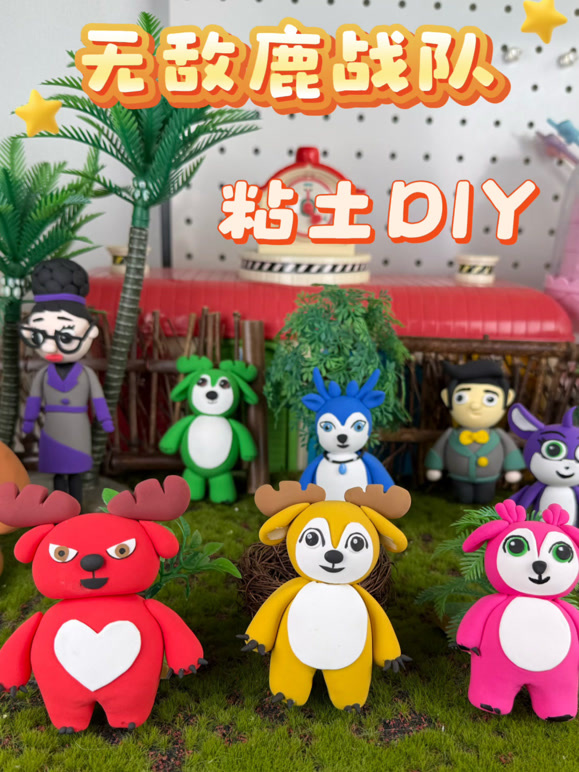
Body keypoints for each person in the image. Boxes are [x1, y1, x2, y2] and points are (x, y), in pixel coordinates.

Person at [19, 259, 114, 505]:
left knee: (75, 473)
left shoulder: (86, 374)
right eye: (39, 336)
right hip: (52, 428)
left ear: (90, 332)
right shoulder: (43, 375)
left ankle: (76, 506)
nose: (51, 347)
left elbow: (98, 398)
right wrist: (28, 422)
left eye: (65, 336)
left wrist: (105, 419)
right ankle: (61, 506)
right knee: (58, 473)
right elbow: (34, 399)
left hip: (78, 427)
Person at [425, 360, 524, 505]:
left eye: (490, 399)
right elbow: (438, 451)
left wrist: (512, 469)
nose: (475, 406)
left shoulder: (499, 435)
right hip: (459, 477)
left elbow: (510, 451)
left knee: (484, 498)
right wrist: (435, 466)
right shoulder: (450, 434)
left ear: (507, 398)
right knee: (463, 498)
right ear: (447, 398)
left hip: (489, 479)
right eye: (461, 398)